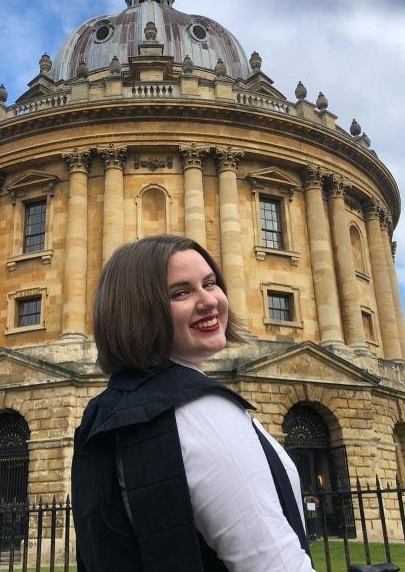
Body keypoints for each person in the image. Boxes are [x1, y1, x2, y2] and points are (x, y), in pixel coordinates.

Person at [72, 235, 315, 572]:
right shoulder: (202, 411)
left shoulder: (108, 410)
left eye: (210, 283)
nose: (209, 301)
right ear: (138, 310)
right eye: (180, 293)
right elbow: (273, 563)